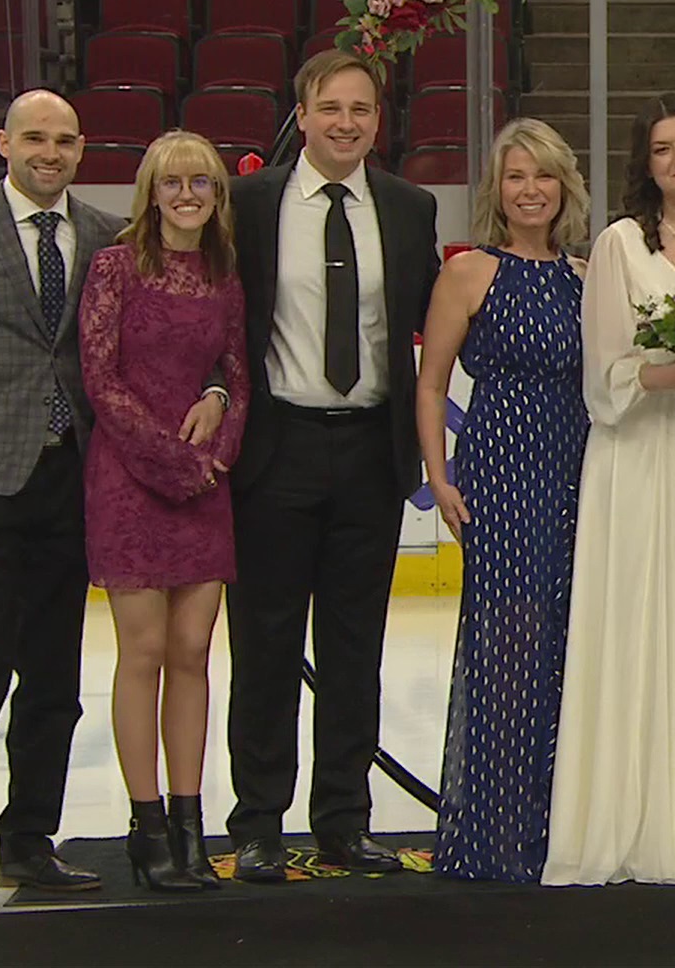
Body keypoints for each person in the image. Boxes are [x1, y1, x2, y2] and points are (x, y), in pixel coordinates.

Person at [0, 90, 220, 914]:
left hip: (80, 484)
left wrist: (212, 385)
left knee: (54, 684)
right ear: (4, 141)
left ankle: (28, 844)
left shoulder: (109, 237)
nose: (50, 152)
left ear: (82, 150)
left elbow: (183, 333)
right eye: (35, 137)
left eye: (65, 140)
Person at [224, 50, 441, 883]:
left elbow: (432, 316)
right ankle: (258, 825)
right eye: (331, 108)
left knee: (356, 648)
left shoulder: (408, 206)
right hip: (275, 450)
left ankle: (344, 822)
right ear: (302, 114)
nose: (346, 123)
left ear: (377, 121)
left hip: (368, 457)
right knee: (267, 646)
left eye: (361, 110)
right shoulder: (248, 203)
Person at [543, 96, 675, 887]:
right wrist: (660, 375)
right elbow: (600, 373)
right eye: (663, 148)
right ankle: (627, 821)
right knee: (635, 625)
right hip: (637, 460)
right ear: (646, 164)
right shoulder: (621, 245)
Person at [417, 118, 591, 883]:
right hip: (501, 469)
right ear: (498, 190)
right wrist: (441, 476)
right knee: (508, 647)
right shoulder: (468, 273)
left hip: (577, 468)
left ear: (564, 187)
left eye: (544, 177)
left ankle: (562, 814)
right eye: (517, 177)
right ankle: (496, 822)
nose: (531, 191)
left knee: (565, 644)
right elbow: (429, 385)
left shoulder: (588, 277)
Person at [78, 130, 248, 892]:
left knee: (193, 651)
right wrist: (170, 458)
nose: (187, 195)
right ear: (150, 192)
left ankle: (189, 823)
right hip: (129, 479)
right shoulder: (115, 268)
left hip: (204, 486)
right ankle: (145, 826)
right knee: (142, 652)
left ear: (217, 197)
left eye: (202, 184)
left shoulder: (224, 277)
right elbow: (100, 377)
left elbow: (239, 380)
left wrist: (214, 443)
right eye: (173, 183)